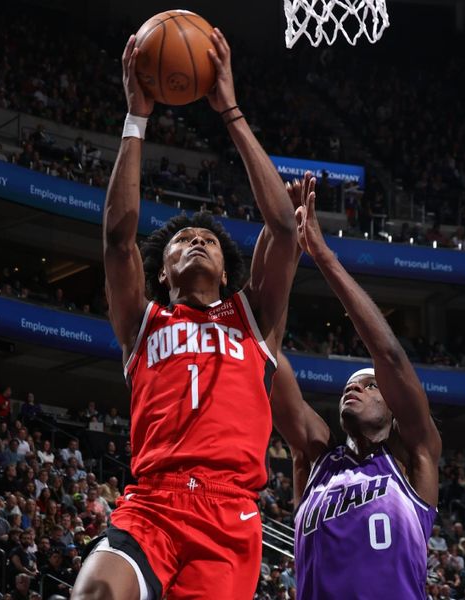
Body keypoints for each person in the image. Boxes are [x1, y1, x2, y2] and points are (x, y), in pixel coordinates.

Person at [72, 28, 298, 600]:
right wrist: (136, 119)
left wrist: (230, 111)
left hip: (228, 516)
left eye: (209, 240)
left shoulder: (254, 318)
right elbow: (118, 241)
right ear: (162, 273)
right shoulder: (142, 322)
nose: (197, 240)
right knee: (96, 593)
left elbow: (283, 230)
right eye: (182, 241)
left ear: (225, 272)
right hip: (152, 503)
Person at [271, 178, 441, 599]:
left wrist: (322, 255)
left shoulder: (412, 455)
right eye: (351, 386)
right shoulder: (316, 457)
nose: (356, 389)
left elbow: (390, 356)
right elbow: (265, 359)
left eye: (369, 385)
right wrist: (283, 250)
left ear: (393, 404)